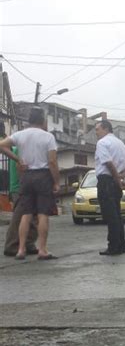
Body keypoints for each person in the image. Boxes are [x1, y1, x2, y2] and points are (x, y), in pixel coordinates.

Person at [0, 107, 59, 261]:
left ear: (29, 120)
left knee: (26, 214)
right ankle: (43, 250)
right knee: (42, 214)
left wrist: (18, 159)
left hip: (26, 176)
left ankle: (20, 250)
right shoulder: (48, 137)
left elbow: (1, 145)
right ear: (43, 120)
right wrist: (56, 182)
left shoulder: (20, 135)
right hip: (43, 175)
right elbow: (52, 162)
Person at [94, 119, 125, 256]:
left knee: (110, 216)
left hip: (106, 181)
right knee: (117, 214)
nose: (96, 132)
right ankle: (122, 243)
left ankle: (114, 246)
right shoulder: (121, 144)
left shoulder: (102, 143)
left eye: (97, 129)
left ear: (105, 128)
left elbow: (108, 164)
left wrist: (117, 178)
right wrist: (121, 178)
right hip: (115, 182)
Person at [3, 146, 38, 257]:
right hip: (21, 188)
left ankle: (28, 243)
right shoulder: (21, 148)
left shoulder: (19, 148)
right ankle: (12, 245)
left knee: (32, 217)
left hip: (23, 187)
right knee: (20, 217)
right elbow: (21, 168)